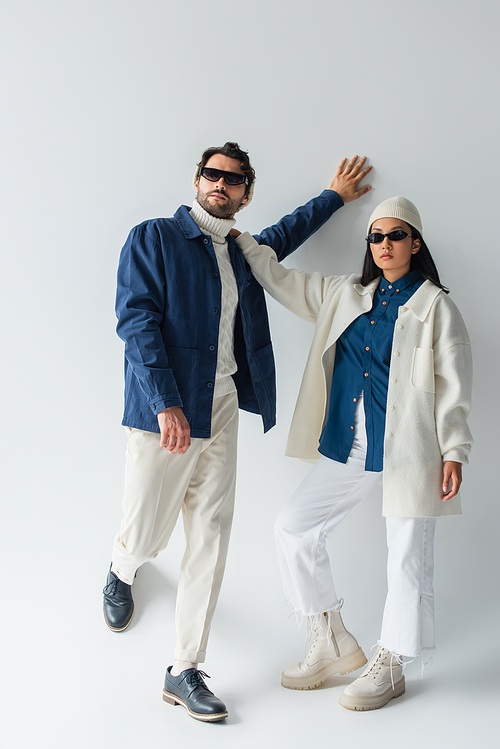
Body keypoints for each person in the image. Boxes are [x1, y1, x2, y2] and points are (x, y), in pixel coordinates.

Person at [102, 143, 372, 722]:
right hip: (166, 410)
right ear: (197, 181)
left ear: (245, 193)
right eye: (212, 174)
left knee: (211, 534)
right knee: (146, 532)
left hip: (222, 406)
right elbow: (136, 319)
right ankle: (123, 569)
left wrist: (336, 196)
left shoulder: (243, 250)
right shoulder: (155, 237)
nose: (220, 184)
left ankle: (184, 668)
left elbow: (289, 231)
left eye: (233, 179)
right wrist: (166, 404)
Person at [233, 184, 473, 711]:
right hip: (351, 439)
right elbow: (282, 279)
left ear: (415, 243)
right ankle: (331, 639)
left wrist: (455, 450)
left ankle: (392, 662)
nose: (383, 244)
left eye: (395, 236)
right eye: (375, 237)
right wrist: (243, 243)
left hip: (412, 446)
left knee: (407, 555)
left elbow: (454, 384)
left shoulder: (435, 307)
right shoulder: (345, 293)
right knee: (293, 526)